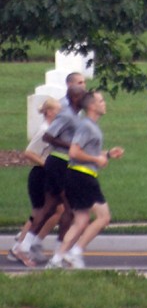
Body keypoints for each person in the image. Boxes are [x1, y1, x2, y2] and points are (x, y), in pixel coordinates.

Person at [46, 91, 124, 269]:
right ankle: (75, 252)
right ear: (92, 106)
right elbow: (74, 152)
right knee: (104, 217)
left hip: (79, 175)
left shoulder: (91, 126)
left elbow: (87, 152)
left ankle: (57, 260)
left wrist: (109, 154)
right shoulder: (86, 126)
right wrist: (97, 160)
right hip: (82, 176)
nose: (104, 104)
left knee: (81, 221)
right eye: (101, 101)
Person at [23, 74, 87, 262]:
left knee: (53, 209)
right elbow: (44, 140)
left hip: (62, 165)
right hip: (53, 166)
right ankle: (57, 252)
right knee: (65, 209)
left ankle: (26, 245)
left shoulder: (75, 113)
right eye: (80, 84)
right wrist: (71, 147)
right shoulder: (65, 113)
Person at [10, 97, 63, 266]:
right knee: (41, 213)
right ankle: (22, 247)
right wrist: (47, 163)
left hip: (48, 174)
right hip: (40, 175)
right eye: (57, 110)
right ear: (48, 112)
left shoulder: (53, 130)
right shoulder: (44, 131)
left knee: (55, 211)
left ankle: (29, 243)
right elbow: (29, 153)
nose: (60, 113)